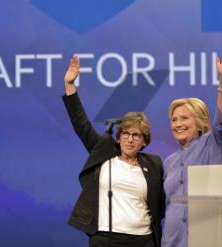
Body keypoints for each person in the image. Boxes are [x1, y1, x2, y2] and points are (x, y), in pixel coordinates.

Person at [62, 55, 165, 247]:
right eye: (125, 133)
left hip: (143, 240)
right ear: (118, 136)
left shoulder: (155, 164)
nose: (130, 139)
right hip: (104, 239)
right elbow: (81, 124)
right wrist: (70, 85)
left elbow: (162, 202)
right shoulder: (104, 153)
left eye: (136, 135)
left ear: (145, 141)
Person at [161, 49, 222, 247]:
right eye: (174, 120)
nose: (177, 124)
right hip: (172, 240)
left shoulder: (213, 142)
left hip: (208, 236)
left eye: (184, 118)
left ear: (199, 121)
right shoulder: (168, 162)